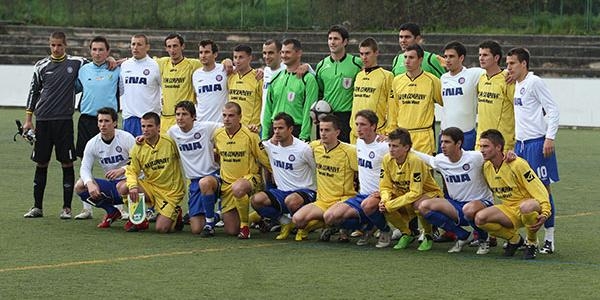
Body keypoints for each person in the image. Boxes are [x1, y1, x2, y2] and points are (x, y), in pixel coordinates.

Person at [23, 32, 87, 219]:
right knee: (42, 162)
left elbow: (98, 63)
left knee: (67, 162)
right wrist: (28, 120)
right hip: (43, 120)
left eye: (59, 45)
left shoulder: (78, 62)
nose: (56, 48)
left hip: (64, 120)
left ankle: (66, 208)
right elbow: (33, 91)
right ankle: (37, 207)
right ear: (49, 45)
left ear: (65, 45)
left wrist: (111, 59)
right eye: (53, 45)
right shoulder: (41, 65)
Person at [506, 47, 560, 254]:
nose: (508, 67)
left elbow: (553, 109)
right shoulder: (517, 83)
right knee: (525, 191)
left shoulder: (535, 82)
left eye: (512, 64)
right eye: (507, 63)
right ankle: (531, 239)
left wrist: (550, 137)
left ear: (524, 64)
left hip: (537, 144)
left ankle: (549, 238)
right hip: (521, 145)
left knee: (544, 190)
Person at [413, 127, 495, 254]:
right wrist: (406, 148)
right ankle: (463, 235)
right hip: (456, 205)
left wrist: (509, 155)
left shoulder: (475, 157)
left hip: (481, 204)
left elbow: (495, 155)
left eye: (447, 142)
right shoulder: (440, 160)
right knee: (423, 206)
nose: (443, 146)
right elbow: (426, 159)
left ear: (458, 144)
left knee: (469, 209)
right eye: (441, 142)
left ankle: (483, 239)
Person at [475, 129, 551, 259]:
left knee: (525, 207)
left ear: (498, 147)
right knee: (479, 219)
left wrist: (545, 212)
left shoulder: (517, 164)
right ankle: (515, 240)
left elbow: (539, 189)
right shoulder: (486, 167)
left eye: (486, 146)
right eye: (481, 146)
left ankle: (532, 242)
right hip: (509, 210)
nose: (482, 150)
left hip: (529, 206)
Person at [322, 110, 390, 246]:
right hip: (362, 195)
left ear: (373, 126)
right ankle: (368, 226)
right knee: (329, 217)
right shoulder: (359, 142)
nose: (358, 128)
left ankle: (385, 230)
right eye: (357, 124)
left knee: (367, 205)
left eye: (363, 125)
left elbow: (406, 155)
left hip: (380, 195)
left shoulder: (384, 146)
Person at [73, 36, 121, 220]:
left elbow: (132, 61)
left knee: (116, 161)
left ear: (108, 52)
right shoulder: (83, 70)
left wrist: (116, 61)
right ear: (90, 51)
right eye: (94, 49)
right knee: (86, 162)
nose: (98, 53)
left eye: (101, 50)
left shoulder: (115, 68)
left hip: (109, 120)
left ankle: (119, 205)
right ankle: (87, 208)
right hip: (87, 120)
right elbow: (75, 87)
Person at [251, 112, 317, 240]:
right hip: (282, 192)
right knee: (256, 200)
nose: (276, 131)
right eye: (275, 128)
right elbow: (254, 143)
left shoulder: (303, 149)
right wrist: (252, 130)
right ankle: (285, 221)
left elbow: (316, 169)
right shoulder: (270, 146)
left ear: (290, 129)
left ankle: (302, 228)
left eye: (280, 128)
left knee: (291, 201)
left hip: (304, 191)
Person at [292, 114, 358, 241]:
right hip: (322, 201)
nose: (323, 133)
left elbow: (363, 172)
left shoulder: (349, 151)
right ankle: (330, 225)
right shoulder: (314, 147)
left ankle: (343, 225)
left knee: (330, 216)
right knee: (297, 220)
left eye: (327, 130)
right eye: (321, 130)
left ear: (337, 132)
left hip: (342, 199)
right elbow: (293, 147)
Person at [376, 128, 443, 251]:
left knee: (418, 204)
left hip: (429, 194)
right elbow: (385, 186)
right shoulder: (387, 159)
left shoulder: (415, 160)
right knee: (382, 205)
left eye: (395, 146)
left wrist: (392, 204)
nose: (391, 149)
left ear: (406, 147)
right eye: (389, 145)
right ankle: (407, 233)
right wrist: (385, 200)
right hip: (406, 193)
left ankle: (428, 234)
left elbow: (416, 192)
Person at [214, 102, 271, 239]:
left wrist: (273, 176)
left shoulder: (250, 135)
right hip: (227, 185)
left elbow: (263, 159)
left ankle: (245, 227)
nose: (227, 119)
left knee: (238, 188)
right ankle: (255, 217)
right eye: (225, 115)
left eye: (231, 116)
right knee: (231, 230)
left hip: (250, 179)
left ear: (240, 117)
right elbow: (217, 157)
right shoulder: (218, 134)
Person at [167, 101, 222, 236]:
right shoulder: (173, 132)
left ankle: (209, 224)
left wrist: (251, 128)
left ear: (193, 117)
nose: (180, 117)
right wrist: (143, 138)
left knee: (205, 182)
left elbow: (228, 128)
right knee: (196, 229)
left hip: (213, 177)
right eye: (178, 114)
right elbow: (160, 142)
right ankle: (219, 215)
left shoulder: (206, 128)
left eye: (184, 114)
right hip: (194, 182)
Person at [125, 112, 185, 233]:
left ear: (158, 127)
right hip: (151, 188)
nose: (145, 130)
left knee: (161, 229)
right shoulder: (137, 147)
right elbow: (131, 170)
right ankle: (140, 221)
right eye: (143, 126)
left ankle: (176, 212)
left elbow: (186, 154)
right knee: (123, 187)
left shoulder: (170, 142)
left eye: (149, 126)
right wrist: (133, 187)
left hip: (171, 192)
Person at [74, 107, 135, 228]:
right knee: (80, 186)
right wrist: (89, 183)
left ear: (115, 123)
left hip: (133, 184)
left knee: (123, 186)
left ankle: (137, 217)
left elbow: (140, 163)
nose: (103, 125)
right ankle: (112, 212)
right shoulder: (93, 143)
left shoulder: (126, 138)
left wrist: (122, 170)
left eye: (107, 121)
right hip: (113, 187)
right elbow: (85, 167)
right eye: (100, 121)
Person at [387, 44, 443, 156]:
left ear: (420, 59)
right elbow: (393, 109)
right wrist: (391, 132)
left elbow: (445, 103)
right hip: (402, 135)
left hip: (424, 136)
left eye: (411, 58)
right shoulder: (397, 80)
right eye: (405, 57)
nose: (407, 61)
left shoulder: (432, 81)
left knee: (424, 171)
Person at [262, 38, 318, 141]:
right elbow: (268, 109)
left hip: (296, 130)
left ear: (299, 53)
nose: (284, 55)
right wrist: (265, 136)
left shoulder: (308, 79)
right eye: (282, 52)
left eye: (288, 52)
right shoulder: (276, 78)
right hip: (274, 131)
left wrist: (304, 137)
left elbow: (308, 111)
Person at [315, 25, 363, 143]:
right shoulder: (321, 65)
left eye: (336, 39)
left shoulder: (356, 63)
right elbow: (319, 91)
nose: (332, 42)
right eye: (330, 39)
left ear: (345, 41)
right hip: (326, 115)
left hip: (346, 116)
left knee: (345, 153)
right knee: (324, 152)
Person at [440, 41, 483, 151]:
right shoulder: (443, 78)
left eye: (451, 56)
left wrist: (508, 74)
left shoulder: (473, 74)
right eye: (446, 57)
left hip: (466, 134)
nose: (447, 60)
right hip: (445, 134)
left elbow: (495, 73)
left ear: (461, 58)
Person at [349, 38, 393, 144]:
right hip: (355, 133)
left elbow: (392, 107)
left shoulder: (387, 76)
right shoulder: (359, 75)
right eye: (361, 54)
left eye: (367, 53)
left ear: (376, 53)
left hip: (376, 133)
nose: (364, 57)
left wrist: (389, 132)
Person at [155, 33, 203, 132]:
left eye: (175, 46)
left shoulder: (193, 64)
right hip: (165, 118)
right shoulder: (162, 63)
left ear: (182, 46)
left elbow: (213, 65)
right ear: (166, 49)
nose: (172, 50)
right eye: (169, 47)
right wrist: (123, 60)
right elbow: (143, 62)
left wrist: (226, 61)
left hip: (184, 118)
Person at [476, 40, 515, 151]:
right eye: (479, 55)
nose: (481, 58)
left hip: (501, 144)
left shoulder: (507, 79)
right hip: (481, 142)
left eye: (485, 55)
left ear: (496, 58)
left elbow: (519, 107)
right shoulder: (481, 78)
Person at [119, 34, 161, 137]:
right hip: (129, 119)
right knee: (131, 152)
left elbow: (164, 88)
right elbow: (121, 89)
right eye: (133, 44)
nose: (135, 47)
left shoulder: (156, 66)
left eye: (139, 44)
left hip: (148, 120)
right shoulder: (125, 65)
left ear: (147, 47)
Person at [228, 44, 263, 132]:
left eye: (241, 57)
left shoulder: (258, 77)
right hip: (233, 129)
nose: (237, 61)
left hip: (251, 130)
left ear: (249, 58)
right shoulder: (230, 76)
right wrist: (226, 60)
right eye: (235, 57)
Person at [192, 40, 229, 123]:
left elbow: (242, 71)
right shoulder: (196, 74)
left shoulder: (224, 69)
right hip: (201, 123)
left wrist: (260, 71)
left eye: (207, 52)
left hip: (220, 124)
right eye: (201, 52)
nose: (203, 55)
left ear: (215, 54)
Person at [260, 39, 286, 123]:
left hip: (282, 124)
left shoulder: (288, 71)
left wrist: (307, 66)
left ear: (280, 53)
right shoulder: (264, 71)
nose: (266, 57)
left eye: (270, 53)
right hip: (264, 123)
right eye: (264, 53)